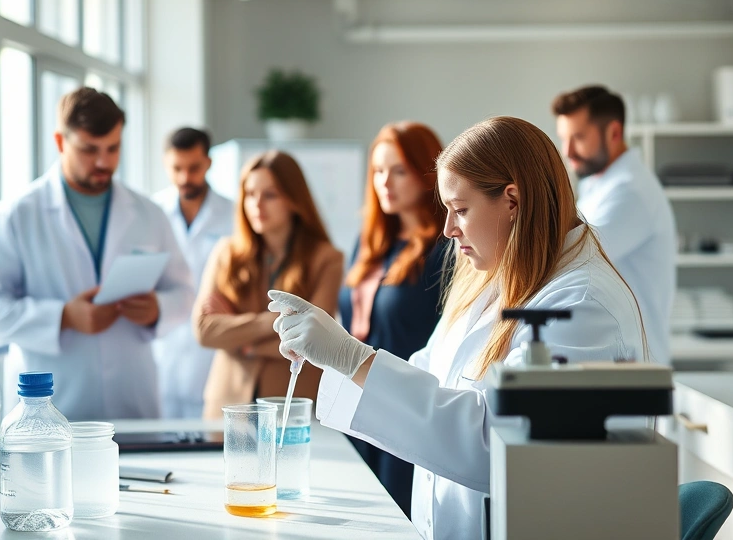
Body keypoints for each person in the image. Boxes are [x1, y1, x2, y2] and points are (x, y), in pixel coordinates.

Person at [269, 117, 647, 540]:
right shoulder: (497, 278)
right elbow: (431, 369)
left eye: (460, 210)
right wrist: (342, 359)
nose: (448, 229)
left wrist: (353, 358)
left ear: (512, 201)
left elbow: (500, 446)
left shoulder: (582, 307)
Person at [0, 87, 195, 420]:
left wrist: (156, 309)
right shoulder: (16, 215)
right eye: (89, 150)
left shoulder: (149, 213)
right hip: (51, 406)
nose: (104, 161)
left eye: (113, 148)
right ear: (61, 142)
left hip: (133, 403)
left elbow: (185, 292)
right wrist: (63, 317)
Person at [339, 121, 450, 518]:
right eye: (378, 171)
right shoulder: (369, 243)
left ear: (426, 174)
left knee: (398, 516)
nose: (385, 182)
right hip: (356, 404)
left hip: (405, 408)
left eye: (398, 170)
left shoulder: (446, 249)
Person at [193, 150, 343, 420]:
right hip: (227, 405)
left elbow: (314, 337)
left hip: (292, 406)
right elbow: (204, 330)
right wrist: (279, 320)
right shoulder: (225, 253)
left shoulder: (327, 258)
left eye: (270, 195)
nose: (257, 204)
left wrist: (237, 336)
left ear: (294, 200)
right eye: (250, 194)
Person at [553, 85, 676, 364]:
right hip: (617, 354)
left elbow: (572, 254)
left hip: (636, 361)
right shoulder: (600, 185)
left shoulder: (630, 193)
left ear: (614, 133)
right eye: (564, 138)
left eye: (579, 138)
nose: (567, 151)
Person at [151, 127, 234, 418]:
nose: (185, 178)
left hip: (212, 355)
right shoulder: (150, 213)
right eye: (177, 169)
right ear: (165, 164)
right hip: (163, 351)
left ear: (209, 163)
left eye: (194, 168)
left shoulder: (234, 215)